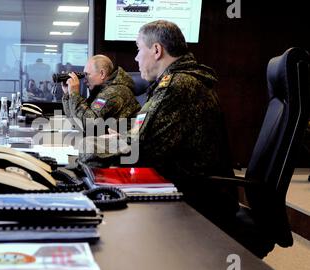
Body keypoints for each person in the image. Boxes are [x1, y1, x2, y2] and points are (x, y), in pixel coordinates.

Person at [79, 20, 239, 225]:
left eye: (138, 49)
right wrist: (122, 136)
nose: (136, 57)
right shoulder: (183, 79)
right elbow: (148, 132)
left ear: (156, 50)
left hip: (198, 198)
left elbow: (138, 147)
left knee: (109, 219)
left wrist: (85, 150)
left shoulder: (177, 85)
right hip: (192, 185)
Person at [61, 55, 141, 131]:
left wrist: (74, 94)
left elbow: (89, 125)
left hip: (124, 143)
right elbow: (78, 122)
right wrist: (68, 94)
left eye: (87, 75)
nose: (84, 80)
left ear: (102, 74)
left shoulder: (115, 92)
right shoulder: (101, 91)